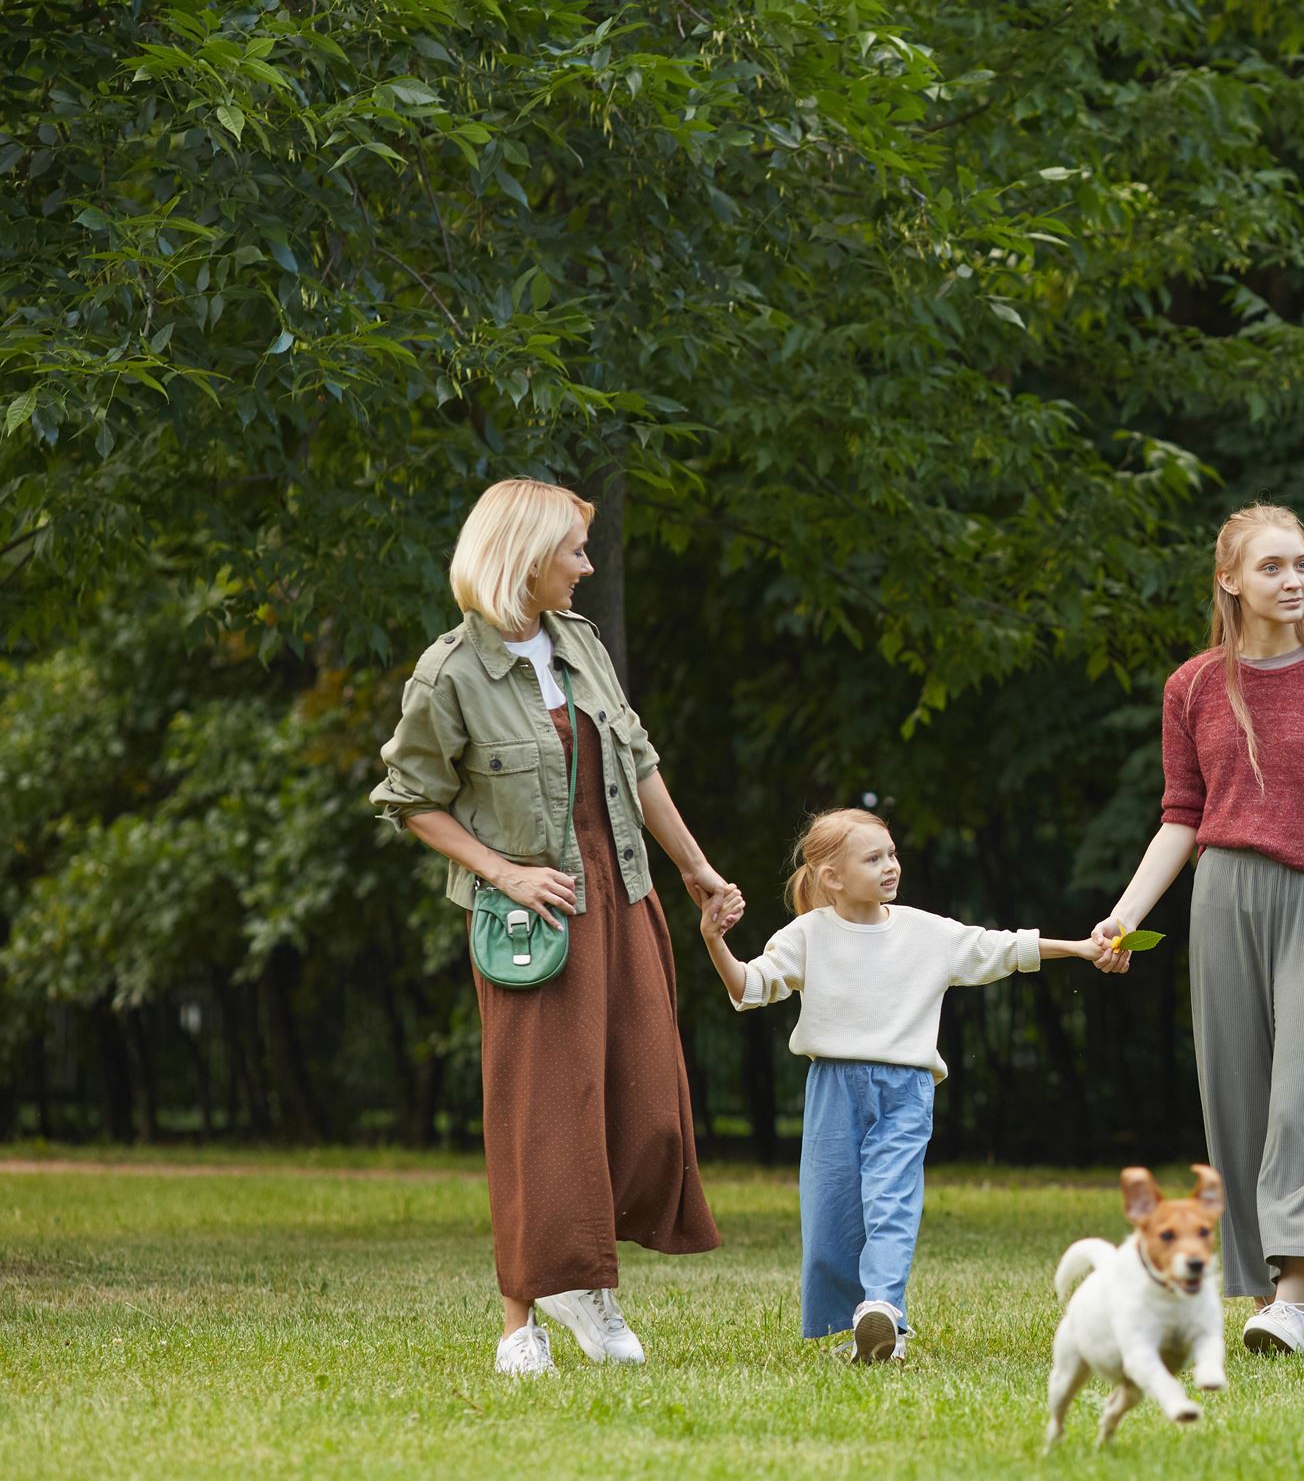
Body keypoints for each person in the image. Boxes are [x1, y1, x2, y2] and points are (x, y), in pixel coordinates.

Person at [372, 477, 739, 1376]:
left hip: (622, 892)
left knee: (647, 1107)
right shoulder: (449, 671)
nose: (584, 565)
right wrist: (501, 871)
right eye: (573, 550)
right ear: (525, 558)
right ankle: (519, 1322)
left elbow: (639, 762)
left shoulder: (580, 644)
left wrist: (696, 870)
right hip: (531, 920)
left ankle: (584, 1278)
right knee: (537, 1113)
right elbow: (408, 798)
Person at [1090, 504, 1304, 1360]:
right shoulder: (1192, 686)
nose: (1294, 580)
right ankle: (1264, 1294)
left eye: (1302, 564)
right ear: (1230, 580)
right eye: (1272, 567)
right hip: (1221, 891)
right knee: (1237, 1096)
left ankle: (1293, 1299)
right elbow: (1181, 818)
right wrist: (1124, 915)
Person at [698, 807, 1108, 1364]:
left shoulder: (927, 933)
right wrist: (714, 941)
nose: (890, 866)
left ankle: (883, 1309)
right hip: (832, 1090)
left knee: (890, 1200)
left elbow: (1002, 949)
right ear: (832, 878)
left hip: (905, 1091)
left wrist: (1081, 947)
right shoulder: (806, 934)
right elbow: (751, 988)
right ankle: (862, 1328)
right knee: (834, 1211)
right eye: (873, 858)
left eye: (892, 854)